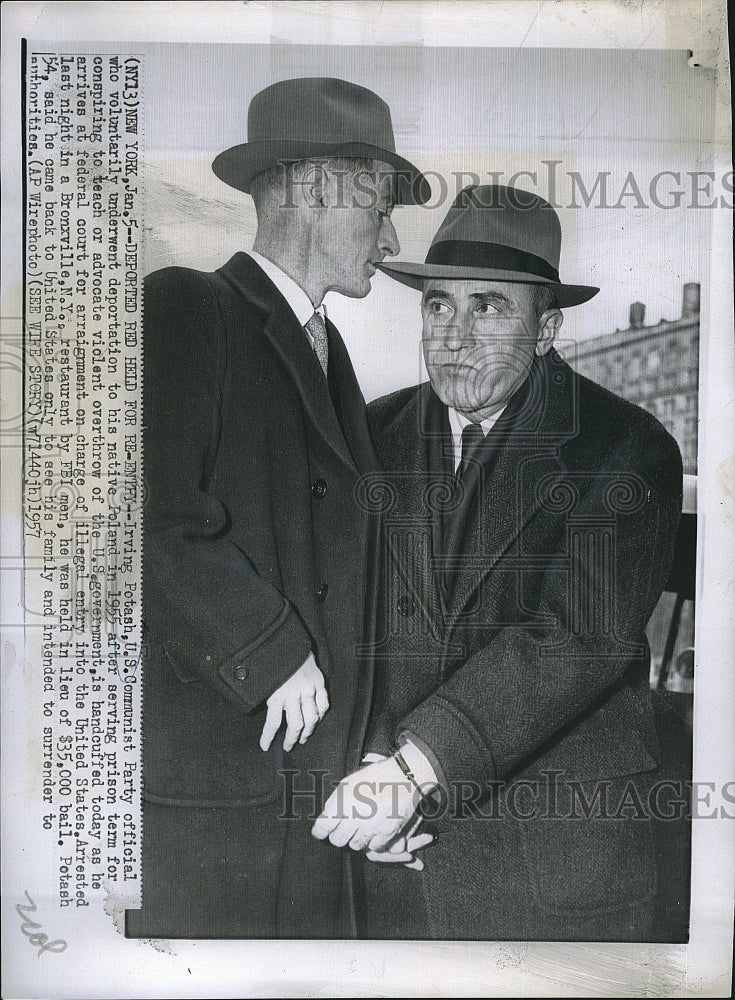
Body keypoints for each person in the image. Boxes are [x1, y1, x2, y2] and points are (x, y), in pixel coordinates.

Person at [312, 184, 684, 941]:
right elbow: (349, 614)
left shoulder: (626, 446)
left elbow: (577, 637)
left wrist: (412, 774)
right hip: (397, 854)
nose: (453, 334)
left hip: (552, 859)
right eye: (437, 305)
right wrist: (375, 765)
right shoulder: (373, 433)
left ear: (545, 329)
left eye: (488, 307)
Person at [125, 76, 429, 939]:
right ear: (318, 188)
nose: (392, 235)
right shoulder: (188, 306)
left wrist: (377, 764)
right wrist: (269, 648)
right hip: (218, 794)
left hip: (317, 792)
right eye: (380, 205)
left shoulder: (329, 355)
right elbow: (152, 519)